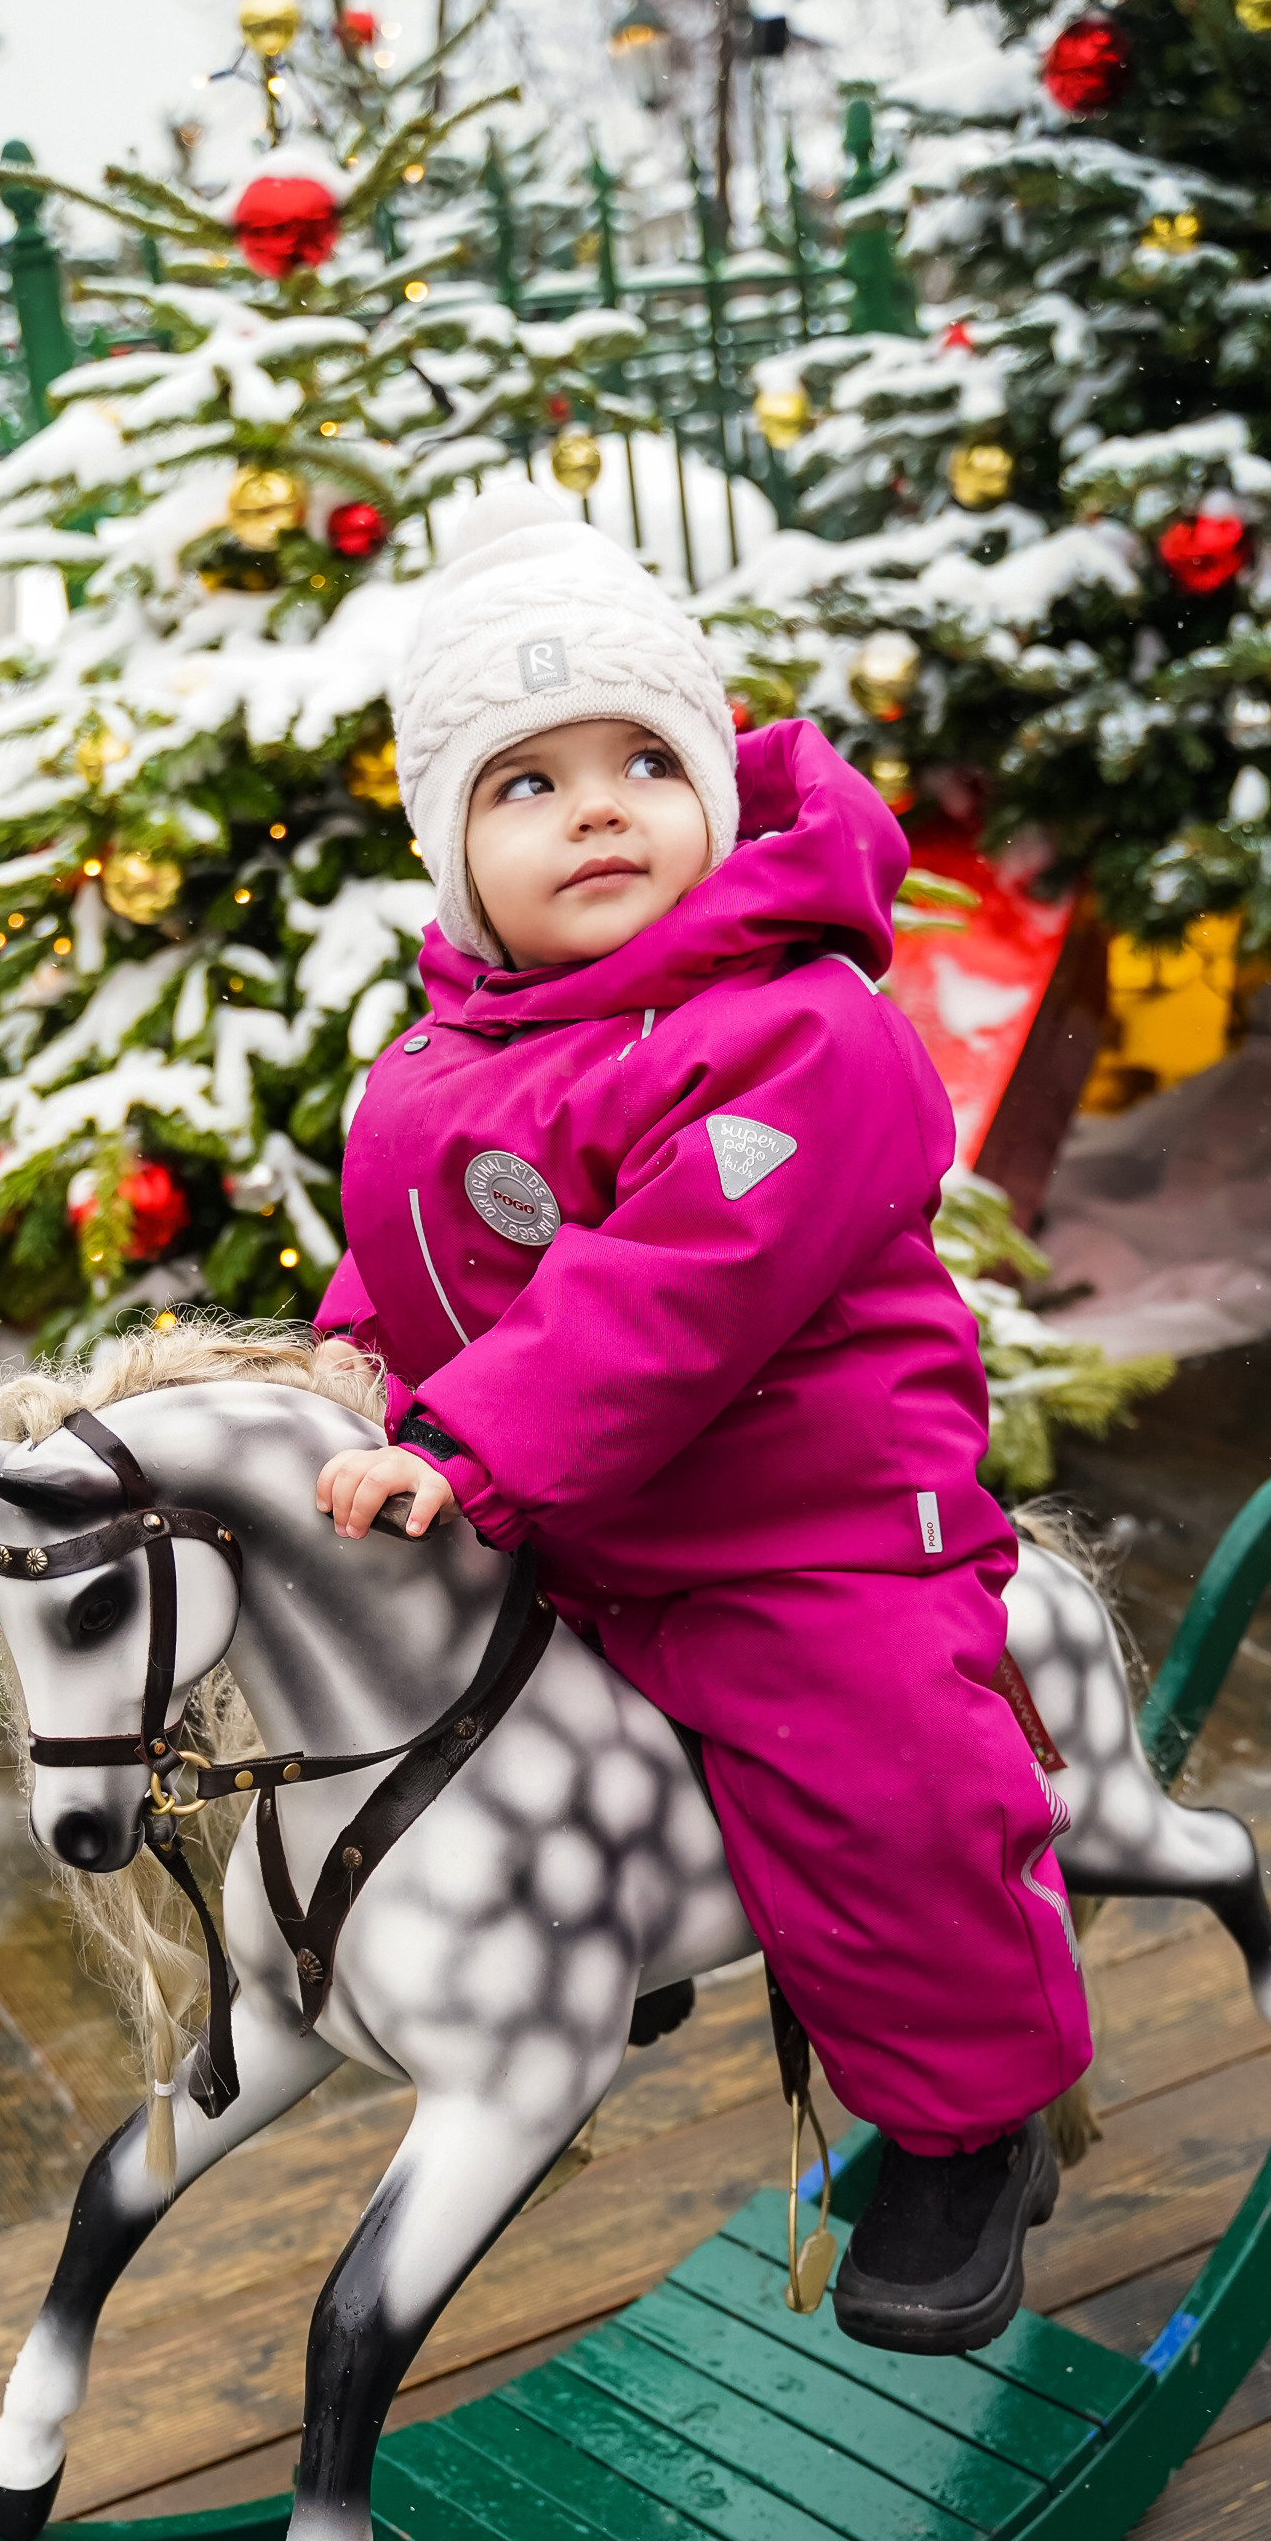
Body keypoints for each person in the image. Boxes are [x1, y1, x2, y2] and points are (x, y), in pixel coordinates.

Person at [312, 487, 1090, 2352]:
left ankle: (969, 2114)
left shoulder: (795, 1028)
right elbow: (416, 1256)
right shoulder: (450, 1056)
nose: (593, 806)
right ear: (451, 853)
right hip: (573, 1521)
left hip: (797, 1522)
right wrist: (351, 1357)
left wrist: (467, 1444)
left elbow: (665, 1291)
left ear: (715, 798)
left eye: (642, 761)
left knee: (879, 1766)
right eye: (524, 783)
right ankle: (568, 1969)